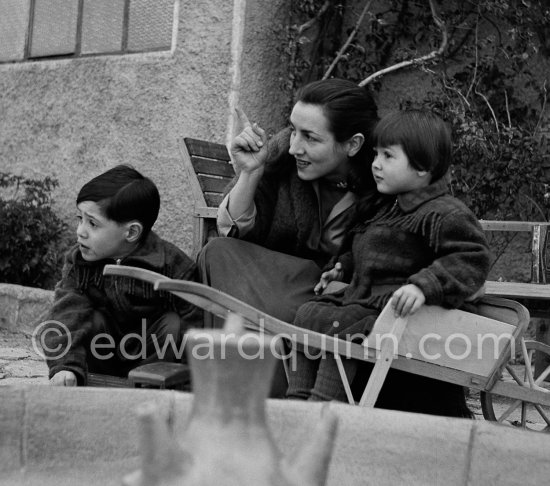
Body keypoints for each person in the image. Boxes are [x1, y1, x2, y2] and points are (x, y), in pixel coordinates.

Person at [286, 110, 492, 417]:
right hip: (370, 302)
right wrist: (343, 266)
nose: (376, 164)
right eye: (376, 154)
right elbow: (367, 250)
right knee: (307, 313)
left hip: (408, 314)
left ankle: (324, 406)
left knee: (340, 326)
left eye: (388, 156)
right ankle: (296, 399)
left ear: (423, 167)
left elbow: (471, 259)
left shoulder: (443, 213)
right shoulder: (388, 209)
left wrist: (423, 286)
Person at [198, 79, 380, 396]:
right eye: (294, 130)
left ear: (352, 144)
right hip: (275, 287)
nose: (295, 146)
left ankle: (263, 393)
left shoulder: (383, 180)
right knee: (218, 253)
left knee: (291, 312)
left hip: (339, 301)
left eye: (310, 137)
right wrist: (251, 172)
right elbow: (233, 231)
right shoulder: (282, 160)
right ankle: (245, 389)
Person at [44, 165, 203, 386]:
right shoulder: (79, 262)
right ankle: (84, 377)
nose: (80, 231)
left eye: (92, 223)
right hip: (103, 354)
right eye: (80, 219)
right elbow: (65, 313)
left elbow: (196, 322)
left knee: (173, 324)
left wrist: (190, 376)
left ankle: (150, 384)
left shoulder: (171, 265)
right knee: (90, 318)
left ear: (131, 232)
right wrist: (64, 366)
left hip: (151, 358)